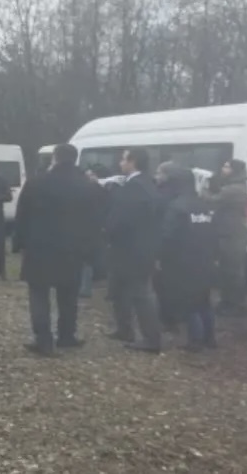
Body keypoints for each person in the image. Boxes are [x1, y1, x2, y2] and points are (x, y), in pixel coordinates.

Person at [13, 144, 101, 356]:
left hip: (40, 248)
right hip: (73, 249)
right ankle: (66, 335)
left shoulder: (36, 183)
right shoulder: (87, 186)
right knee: (69, 296)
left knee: (39, 295)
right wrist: (91, 251)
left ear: (55, 158)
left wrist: (19, 243)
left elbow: (22, 215)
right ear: (75, 159)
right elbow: (95, 221)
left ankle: (44, 340)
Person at [107, 147, 163, 353]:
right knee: (120, 290)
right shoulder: (148, 184)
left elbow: (122, 219)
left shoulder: (134, 187)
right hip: (141, 247)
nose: (120, 163)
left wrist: (108, 231)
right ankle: (124, 329)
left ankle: (151, 338)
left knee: (141, 294)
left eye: (123, 159)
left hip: (131, 249)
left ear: (133, 161)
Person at [157, 166, 219, 352]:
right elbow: (214, 232)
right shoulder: (203, 204)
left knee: (188, 302)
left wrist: (160, 258)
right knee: (204, 300)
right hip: (205, 257)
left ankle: (196, 340)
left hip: (182, 260)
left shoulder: (176, 206)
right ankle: (210, 338)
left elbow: (167, 236)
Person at [204, 159, 247, 318]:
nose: (223, 169)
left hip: (233, 234)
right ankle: (227, 302)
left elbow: (212, 200)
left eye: (227, 167)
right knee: (226, 270)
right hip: (228, 232)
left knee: (233, 271)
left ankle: (237, 305)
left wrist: (203, 189)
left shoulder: (234, 188)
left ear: (234, 170)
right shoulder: (232, 185)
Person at [153, 161, 182, 333]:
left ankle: (167, 320)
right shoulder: (182, 193)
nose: (156, 176)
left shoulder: (162, 196)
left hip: (165, 245)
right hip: (180, 246)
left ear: (166, 175)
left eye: (158, 173)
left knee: (163, 285)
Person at [80, 164, 112, 299]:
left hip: (87, 228)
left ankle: (85, 287)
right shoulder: (104, 190)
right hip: (99, 228)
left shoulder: (86, 190)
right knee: (94, 257)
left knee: (85, 259)